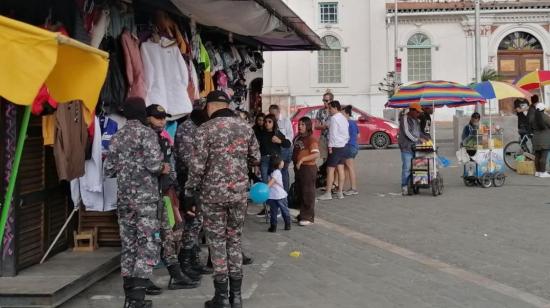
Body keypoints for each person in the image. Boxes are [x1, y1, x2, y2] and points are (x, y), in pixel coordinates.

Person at [185, 90, 260, 308]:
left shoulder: (204, 130)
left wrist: (190, 192)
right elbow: (255, 158)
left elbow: (197, 167)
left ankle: (221, 297)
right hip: (238, 194)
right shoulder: (245, 127)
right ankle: (236, 296)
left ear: (211, 106)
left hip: (212, 196)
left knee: (217, 243)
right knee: (234, 240)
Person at [104, 97, 169, 308]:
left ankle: (129, 298)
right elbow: (154, 165)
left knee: (129, 246)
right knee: (148, 244)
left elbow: (109, 170)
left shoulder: (117, 136)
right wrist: (163, 168)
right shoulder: (147, 134)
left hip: (124, 200)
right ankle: (137, 300)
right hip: (146, 200)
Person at [145, 104, 199, 293]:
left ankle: (176, 276)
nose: (161, 121)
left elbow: (171, 167)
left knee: (168, 234)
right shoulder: (143, 140)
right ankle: (142, 279)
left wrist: (178, 191)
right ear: (147, 118)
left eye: (163, 118)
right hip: (145, 198)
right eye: (157, 118)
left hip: (164, 195)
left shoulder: (164, 140)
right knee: (147, 239)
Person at [174, 105, 212, 284]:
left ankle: (193, 260)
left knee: (198, 223)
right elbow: (189, 160)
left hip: (200, 184)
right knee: (193, 221)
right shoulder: (187, 129)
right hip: (188, 184)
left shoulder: (202, 127)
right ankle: (185, 262)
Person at [318, 101, 349, 201]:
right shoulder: (344, 118)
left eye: (330, 108)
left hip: (335, 147)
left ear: (335, 108)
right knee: (340, 169)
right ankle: (340, 192)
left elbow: (333, 134)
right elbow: (346, 134)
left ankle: (328, 193)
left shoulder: (334, 119)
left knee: (330, 170)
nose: (329, 110)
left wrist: (330, 147)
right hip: (343, 146)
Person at [293, 117, 320, 226]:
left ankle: (308, 216)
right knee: (300, 191)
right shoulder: (298, 138)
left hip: (308, 168)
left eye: (303, 125)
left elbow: (316, 154)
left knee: (307, 192)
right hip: (298, 168)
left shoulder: (311, 139)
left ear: (308, 126)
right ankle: (302, 213)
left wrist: (302, 159)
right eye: (299, 124)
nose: (300, 126)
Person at [398, 102, 424, 196]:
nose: (418, 114)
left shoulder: (416, 120)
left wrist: (425, 138)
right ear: (412, 110)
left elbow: (418, 132)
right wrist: (417, 139)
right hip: (406, 147)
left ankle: (413, 185)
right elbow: (407, 132)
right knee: (407, 168)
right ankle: (404, 186)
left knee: (416, 167)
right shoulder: (404, 118)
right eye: (417, 112)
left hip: (416, 148)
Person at [258, 114, 291, 185]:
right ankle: (266, 195)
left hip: (275, 160)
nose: (267, 123)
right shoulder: (261, 133)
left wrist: (280, 141)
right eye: (265, 122)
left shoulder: (277, 133)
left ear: (274, 123)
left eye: (270, 122)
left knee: (275, 180)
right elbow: (257, 147)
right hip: (264, 159)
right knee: (264, 180)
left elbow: (288, 144)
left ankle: (276, 195)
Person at [269, 105, 294, 192]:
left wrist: (281, 141)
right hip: (274, 150)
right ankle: (276, 191)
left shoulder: (285, 121)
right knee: (275, 171)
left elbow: (290, 136)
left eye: (274, 114)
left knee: (283, 170)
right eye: (271, 114)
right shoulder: (269, 122)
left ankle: (285, 192)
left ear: (278, 112)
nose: (273, 117)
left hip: (285, 149)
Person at [266, 156, 291, 233]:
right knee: (284, 210)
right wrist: (265, 188)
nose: (283, 162)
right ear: (278, 164)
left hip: (273, 196)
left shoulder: (272, 172)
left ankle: (273, 227)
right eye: (282, 161)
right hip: (280, 195)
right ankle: (287, 224)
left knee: (273, 212)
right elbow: (271, 182)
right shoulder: (277, 172)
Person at [528, 101, 550, 178]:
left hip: (535, 139)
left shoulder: (533, 117)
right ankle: (543, 172)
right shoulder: (546, 117)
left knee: (537, 156)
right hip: (545, 140)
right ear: (543, 109)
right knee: (543, 156)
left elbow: (530, 126)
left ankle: (537, 172)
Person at [342, 106, 359, 196]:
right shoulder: (353, 122)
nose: (341, 115)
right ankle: (344, 187)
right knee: (346, 168)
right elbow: (358, 135)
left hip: (348, 146)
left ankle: (353, 188)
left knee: (350, 167)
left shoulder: (346, 123)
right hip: (354, 146)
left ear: (347, 114)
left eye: (343, 113)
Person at [315, 92, 333, 162]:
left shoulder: (335, 111)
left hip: (333, 138)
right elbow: (316, 126)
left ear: (331, 100)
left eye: (326, 100)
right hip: (323, 138)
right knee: (325, 160)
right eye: (323, 100)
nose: (324, 102)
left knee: (333, 161)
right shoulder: (320, 111)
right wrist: (324, 126)